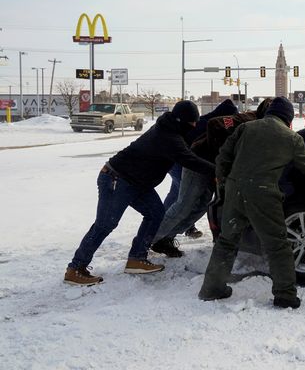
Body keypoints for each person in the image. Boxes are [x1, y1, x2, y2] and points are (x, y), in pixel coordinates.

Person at [198, 97, 305, 308]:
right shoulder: (290, 138)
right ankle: (285, 295)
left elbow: (222, 157)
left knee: (227, 241)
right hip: (263, 194)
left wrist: (225, 183)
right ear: (288, 117)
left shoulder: (246, 127)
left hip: (235, 190)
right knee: (278, 245)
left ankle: (212, 289)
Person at [64, 101, 215, 286]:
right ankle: (75, 268)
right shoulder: (168, 137)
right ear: (181, 120)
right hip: (116, 179)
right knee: (105, 224)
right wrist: (218, 171)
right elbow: (189, 159)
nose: (193, 126)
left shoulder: (171, 129)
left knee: (155, 214)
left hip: (137, 183)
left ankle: (137, 258)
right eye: (191, 122)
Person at [151, 98, 274, 257]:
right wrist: (221, 161)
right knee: (184, 205)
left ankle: (165, 239)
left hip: (212, 169)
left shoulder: (265, 128)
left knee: (202, 206)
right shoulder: (245, 119)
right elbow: (215, 124)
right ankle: (146, 240)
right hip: (199, 160)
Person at [161, 99, 238, 239]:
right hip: (180, 160)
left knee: (177, 193)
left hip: (179, 160)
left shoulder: (210, 121)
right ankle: (165, 231)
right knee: (184, 198)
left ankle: (164, 222)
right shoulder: (207, 124)